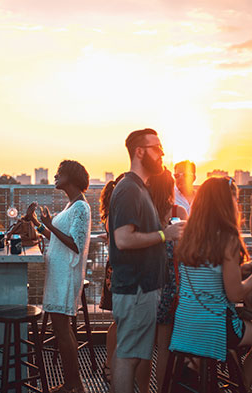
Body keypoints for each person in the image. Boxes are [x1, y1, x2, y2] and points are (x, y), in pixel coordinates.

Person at [169, 177, 252, 389]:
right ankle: (240, 385)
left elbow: (207, 273)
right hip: (214, 326)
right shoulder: (227, 239)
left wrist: (238, 270)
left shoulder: (187, 235)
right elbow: (235, 294)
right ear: (228, 203)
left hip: (185, 326)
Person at [109, 129, 185, 393]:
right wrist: (166, 234)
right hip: (136, 289)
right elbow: (123, 239)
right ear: (140, 151)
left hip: (143, 289)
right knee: (128, 356)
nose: (162, 154)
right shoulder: (129, 189)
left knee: (133, 354)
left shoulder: (138, 188)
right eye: (157, 148)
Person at [26, 160, 91, 393]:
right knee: (62, 330)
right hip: (59, 273)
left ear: (71, 177)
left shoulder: (81, 208)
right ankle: (73, 383)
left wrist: (49, 225)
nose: (55, 176)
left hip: (66, 274)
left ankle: (75, 384)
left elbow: (75, 243)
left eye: (59, 173)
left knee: (63, 331)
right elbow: (57, 238)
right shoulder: (70, 205)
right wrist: (37, 223)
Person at [146, 169, 188, 391]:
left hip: (150, 284)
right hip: (175, 286)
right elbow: (189, 248)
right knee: (176, 345)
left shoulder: (144, 213)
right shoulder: (178, 211)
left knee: (156, 346)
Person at [97, 173, 124, 384]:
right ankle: (110, 364)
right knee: (120, 321)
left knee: (119, 320)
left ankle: (112, 364)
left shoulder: (112, 213)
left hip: (114, 268)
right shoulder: (118, 213)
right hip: (120, 270)